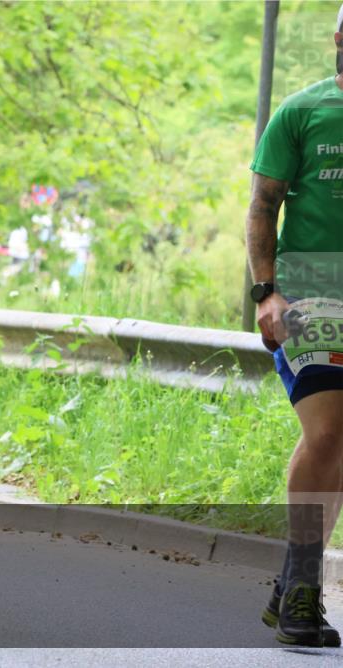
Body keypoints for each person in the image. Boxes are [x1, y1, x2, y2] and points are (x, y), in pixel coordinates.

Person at [247, 4, 343, 647]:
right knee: (331, 428)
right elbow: (262, 206)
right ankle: (305, 585)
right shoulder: (303, 111)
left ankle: (290, 579)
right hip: (315, 289)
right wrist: (266, 292)